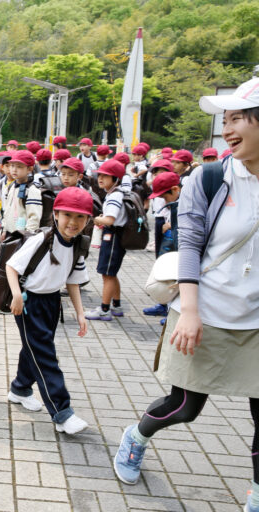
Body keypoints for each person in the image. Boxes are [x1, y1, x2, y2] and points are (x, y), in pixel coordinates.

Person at [114, 80, 259, 512]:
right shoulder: (210, 177)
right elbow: (190, 246)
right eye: (225, 120)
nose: (227, 129)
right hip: (206, 311)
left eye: (237, 118)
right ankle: (136, 437)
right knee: (185, 406)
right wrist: (190, 312)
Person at [6, 187, 91, 434]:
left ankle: (20, 388)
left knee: (34, 348)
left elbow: (73, 280)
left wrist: (80, 312)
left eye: (80, 217)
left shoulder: (78, 246)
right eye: (68, 215)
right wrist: (16, 296)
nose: (73, 223)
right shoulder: (40, 240)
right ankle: (62, 412)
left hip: (52, 303)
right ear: (55, 214)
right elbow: (12, 267)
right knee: (45, 357)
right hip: (28, 302)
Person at [85, 160, 127, 321]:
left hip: (113, 237)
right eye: (99, 175)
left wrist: (96, 219)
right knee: (111, 273)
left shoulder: (115, 195)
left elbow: (110, 220)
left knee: (107, 274)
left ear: (115, 178)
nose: (100, 178)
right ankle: (116, 306)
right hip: (116, 236)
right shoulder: (116, 192)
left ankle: (104, 310)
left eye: (105, 176)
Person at [142, 170, 181, 319]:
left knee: (176, 277)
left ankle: (173, 313)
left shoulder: (189, 202)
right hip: (169, 238)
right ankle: (164, 306)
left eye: (165, 197)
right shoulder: (173, 203)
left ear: (175, 189)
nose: (164, 201)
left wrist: (172, 225)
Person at [1, 151, 42, 235]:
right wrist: (4, 229)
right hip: (10, 233)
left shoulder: (32, 190)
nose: (14, 170)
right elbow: (6, 210)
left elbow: (34, 219)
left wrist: (26, 238)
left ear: (29, 169)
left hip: (22, 236)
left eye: (19, 167)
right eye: (12, 166)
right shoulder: (11, 186)